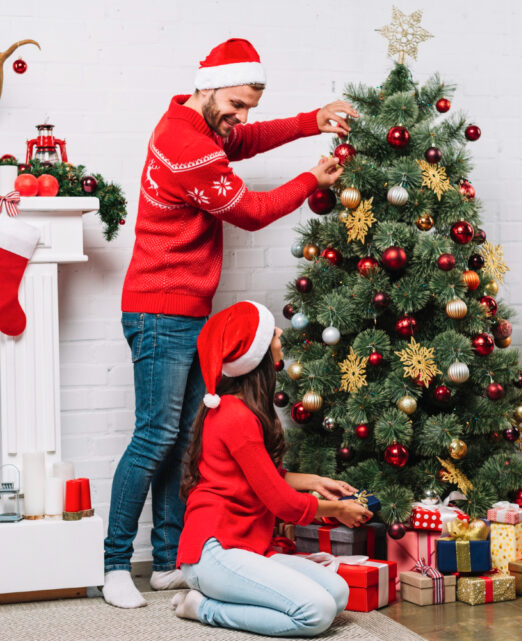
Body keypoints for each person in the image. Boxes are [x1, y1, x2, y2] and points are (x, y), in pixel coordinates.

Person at [103, 37, 358, 608]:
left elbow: (246, 139)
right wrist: (312, 180)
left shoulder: (199, 123)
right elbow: (250, 211)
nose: (240, 118)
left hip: (188, 310)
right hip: (159, 309)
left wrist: (311, 121)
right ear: (209, 84)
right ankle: (116, 563)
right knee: (155, 437)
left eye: (248, 107)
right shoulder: (184, 143)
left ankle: (169, 560)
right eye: (236, 104)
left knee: (183, 440)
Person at [171, 301, 372, 637]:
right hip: (215, 551)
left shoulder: (240, 408)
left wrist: (317, 482)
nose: (280, 333)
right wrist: (338, 510)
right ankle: (203, 607)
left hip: (245, 545)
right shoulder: (235, 416)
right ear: (256, 353)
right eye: (272, 332)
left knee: (337, 594)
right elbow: (283, 504)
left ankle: (226, 596)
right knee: (316, 613)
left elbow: (262, 476)